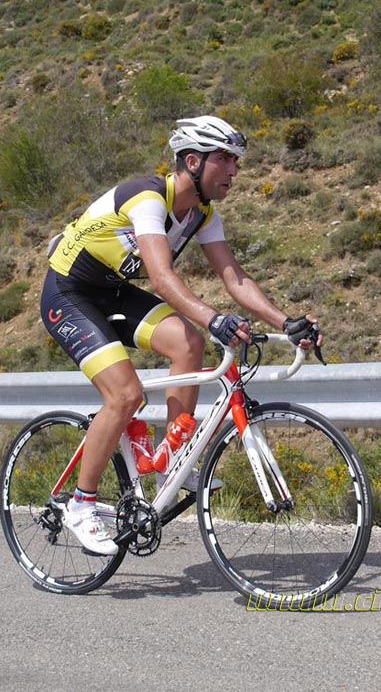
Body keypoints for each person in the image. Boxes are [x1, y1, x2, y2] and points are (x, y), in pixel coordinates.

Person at [39, 115, 321, 555]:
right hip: (69, 293)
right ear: (193, 161)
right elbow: (162, 277)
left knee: (188, 345)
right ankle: (81, 503)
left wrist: (285, 321)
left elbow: (235, 278)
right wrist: (215, 320)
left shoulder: (202, 212)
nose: (234, 171)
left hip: (111, 293)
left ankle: (172, 459)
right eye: (225, 160)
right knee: (125, 395)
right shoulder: (148, 198)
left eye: (236, 161)